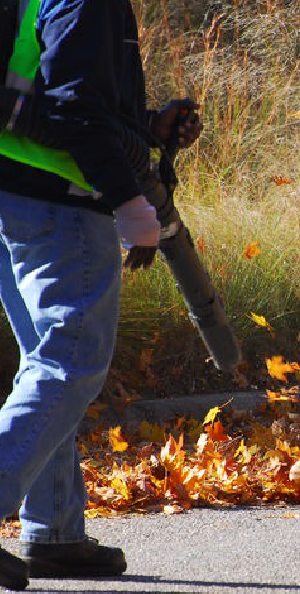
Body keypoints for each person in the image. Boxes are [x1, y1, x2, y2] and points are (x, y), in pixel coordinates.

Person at [0, 0, 201, 589]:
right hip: (56, 197)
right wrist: (127, 199)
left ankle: (56, 530)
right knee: (70, 362)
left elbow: (51, 89)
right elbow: (74, 109)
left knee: (47, 358)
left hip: (13, 189)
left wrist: (146, 128)